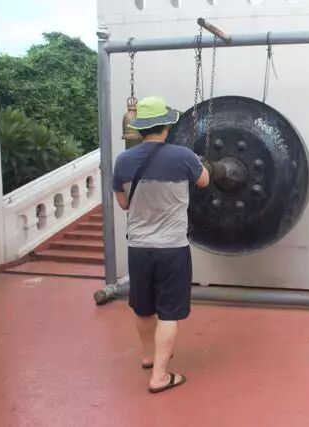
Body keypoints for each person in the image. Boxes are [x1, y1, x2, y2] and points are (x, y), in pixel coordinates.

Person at [112, 96, 210, 393]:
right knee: (169, 312)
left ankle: (148, 356)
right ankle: (160, 376)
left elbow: (123, 204)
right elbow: (204, 181)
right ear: (166, 126)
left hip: (139, 248)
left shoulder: (123, 161)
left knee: (143, 307)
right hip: (172, 249)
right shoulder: (183, 157)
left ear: (140, 128)